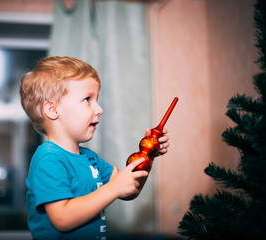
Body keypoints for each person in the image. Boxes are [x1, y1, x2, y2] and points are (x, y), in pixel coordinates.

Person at [19, 56, 169, 240]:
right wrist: (113, 188)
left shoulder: (89, 158)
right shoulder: (48, 159)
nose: (99, 109)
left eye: (96, 99)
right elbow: (62, 218)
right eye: (87, 99)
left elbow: (130, 188)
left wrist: (148, 155)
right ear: (52, 109)